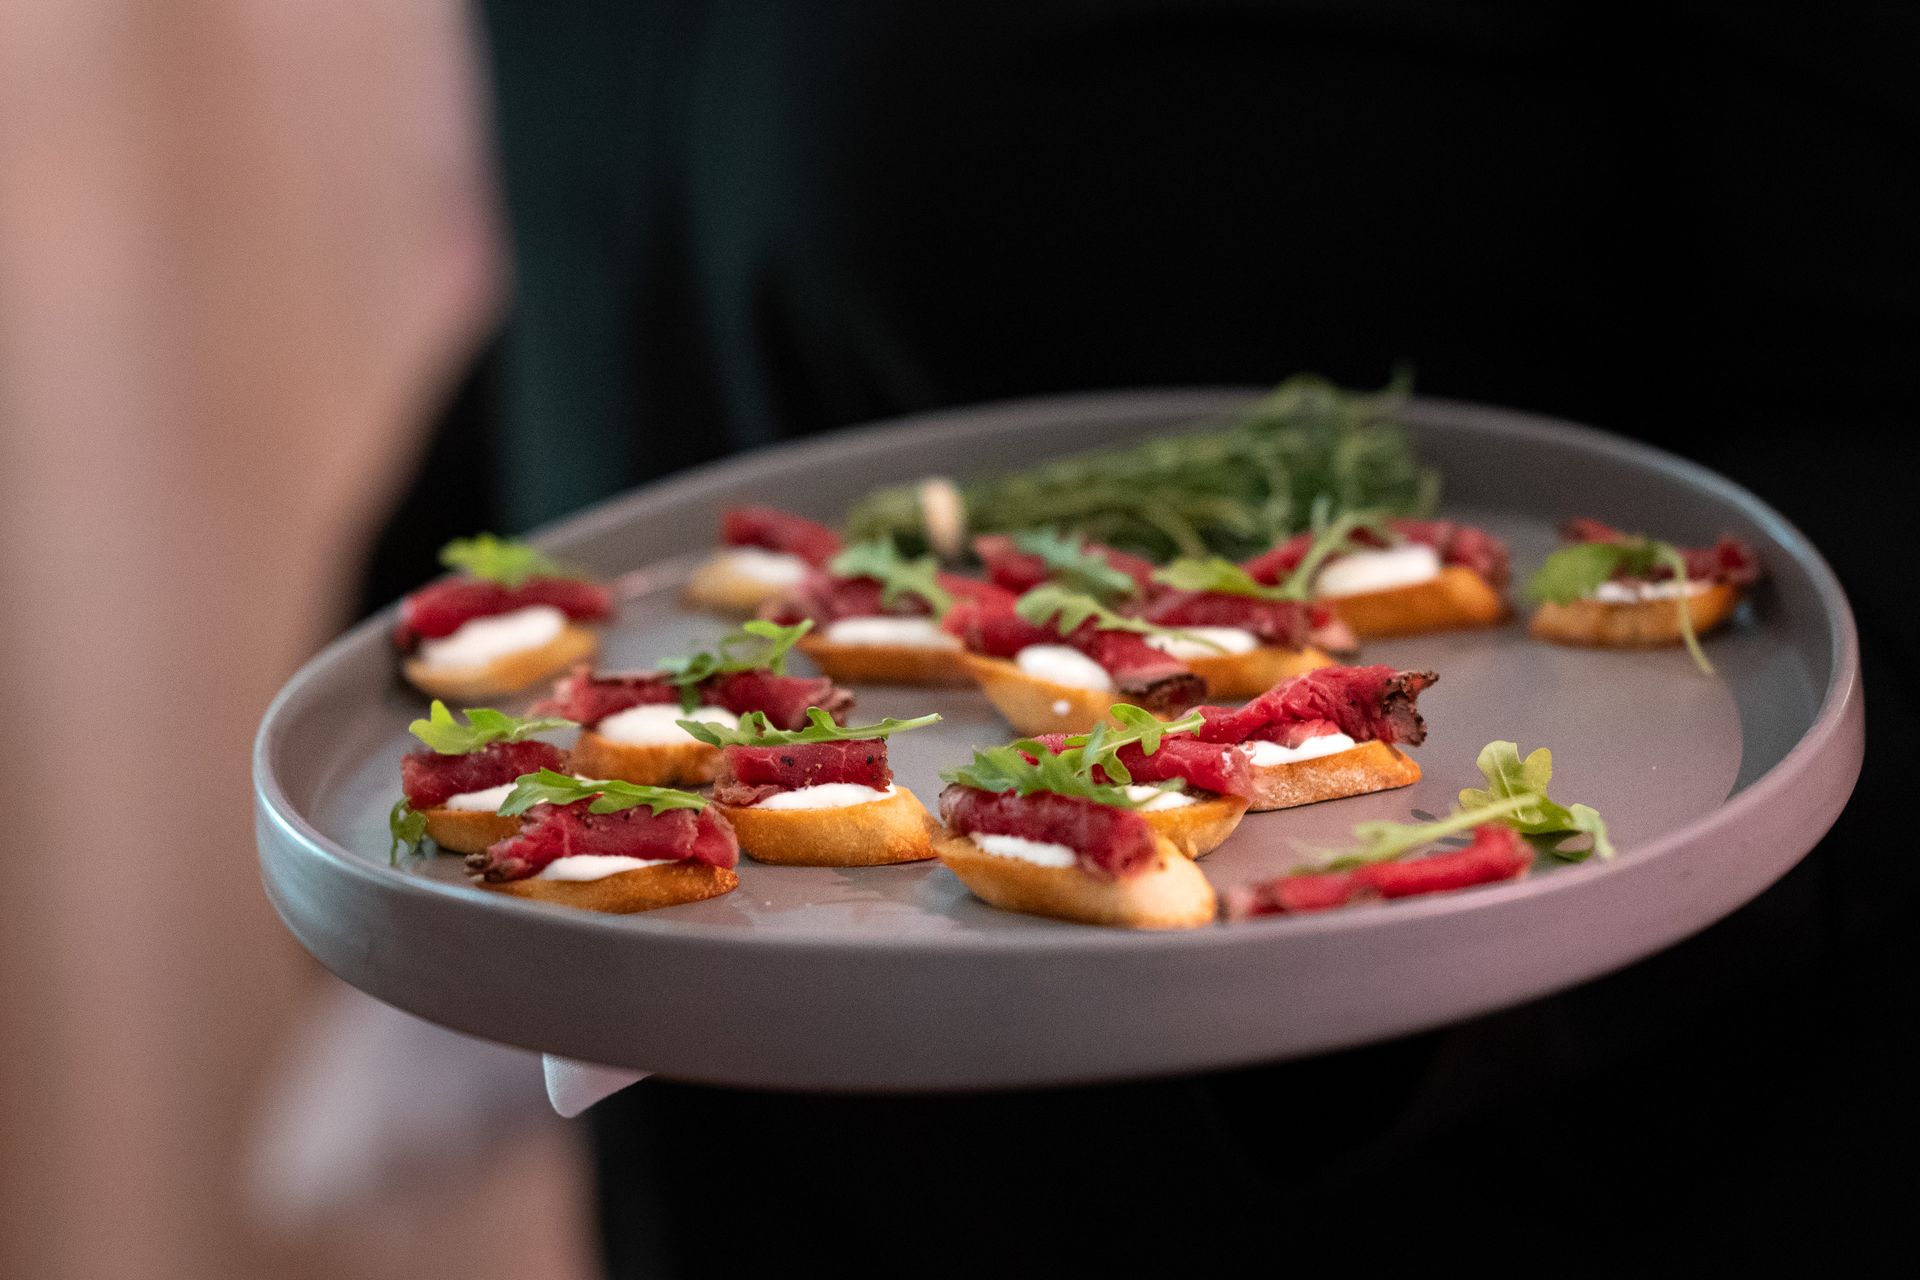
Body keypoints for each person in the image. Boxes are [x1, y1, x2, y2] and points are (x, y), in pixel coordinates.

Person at [361, 4, 1917, 1272]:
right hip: (729, 1161)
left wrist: (1385, 952)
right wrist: (431, 764)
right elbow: (630, 219)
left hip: (1402, 1182)